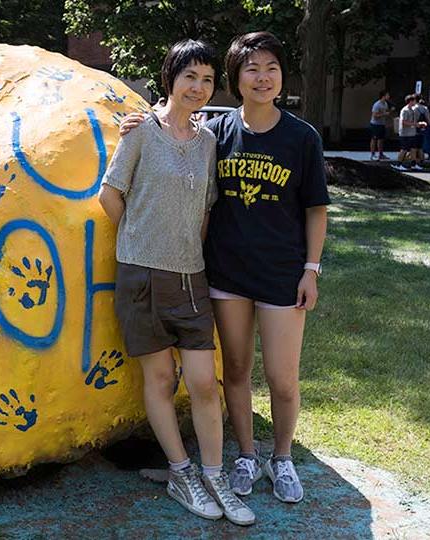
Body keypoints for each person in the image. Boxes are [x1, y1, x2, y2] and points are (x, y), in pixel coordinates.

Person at [119, 30, 329, 507]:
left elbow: (317, 209)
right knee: (234, 370)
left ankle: (282, 457)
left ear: (282, 76)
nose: (262, 77)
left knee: (282, 377)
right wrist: (138, 119)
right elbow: (172, 126)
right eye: (252, 68)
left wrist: (310, 270)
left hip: (281, 274)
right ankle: (247, 455)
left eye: (271, 67)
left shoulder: (302, 137)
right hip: (227, 274)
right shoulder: (218, 131)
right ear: (236, 78)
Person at [98, 39, 256, 527]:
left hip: (192, 276)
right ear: (170, 78)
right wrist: (142, 240)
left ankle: (215, 475)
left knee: (205, 383)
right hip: (142, 273)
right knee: (161, 379)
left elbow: (206, 208)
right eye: (190, 76)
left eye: (207, 79)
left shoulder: (208, 141)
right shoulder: (141, 132)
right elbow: (109, 195)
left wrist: (185, 247)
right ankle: (181, 473)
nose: (199, 87)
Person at [393, 94, 419, 171]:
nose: (415, 102)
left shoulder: (412, 110)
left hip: (412, 133)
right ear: (410, 101)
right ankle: (398, 164)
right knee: (404, 149)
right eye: (414, 100)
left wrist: (417, 124)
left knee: (413, 149)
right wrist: (415, 124)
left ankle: (413, 164)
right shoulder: (405, 110)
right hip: (405, 133)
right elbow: (404, 122)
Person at [369, 90, 391, 160]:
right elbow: (374, 115)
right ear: (383, 96)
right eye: (387, 95)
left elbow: (385, 113)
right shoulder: (377, 104)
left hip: (382, 124)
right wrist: (384, 114)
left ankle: (381, 154)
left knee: (381, 139)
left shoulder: (385, 104)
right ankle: (372, 154)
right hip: (375, 124)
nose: (389, 96)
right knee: (374, 139)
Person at [413, 96, 430, 169]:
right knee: (420, 146)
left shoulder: (414, 108)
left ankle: (415, 161)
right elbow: (428, 120)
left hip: (415, 129)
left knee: (414, 146)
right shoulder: (425, 108)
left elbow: (413, 120)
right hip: (423, 128)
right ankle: (422, 161)